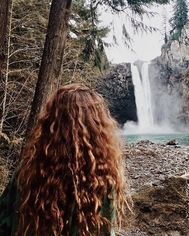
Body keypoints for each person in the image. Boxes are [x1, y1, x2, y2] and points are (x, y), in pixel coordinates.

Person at [0, 84, 127, 236]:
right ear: (98, 128)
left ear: (50, 123)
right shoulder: (102, 178)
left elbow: (4, 219)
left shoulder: (29, 169)